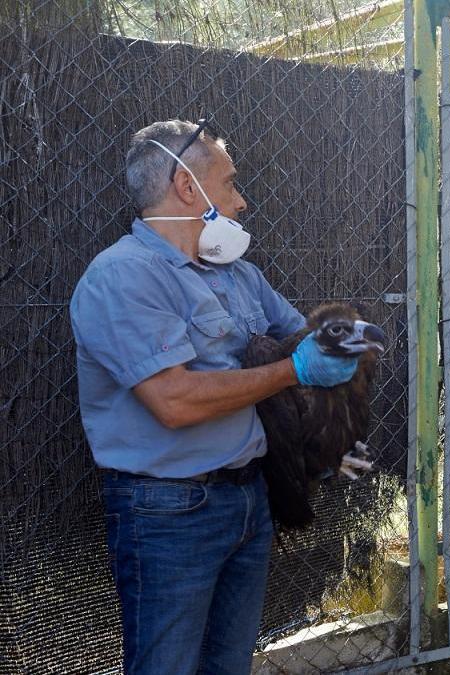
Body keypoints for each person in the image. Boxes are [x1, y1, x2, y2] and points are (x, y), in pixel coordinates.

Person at [70, 119, 359, 674]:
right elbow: (175, 402)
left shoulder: (238, 275)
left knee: (229, 666)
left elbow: (304, 334)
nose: (242, 202)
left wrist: (342, 342)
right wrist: (294, 369)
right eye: (229, 184)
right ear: (187, 187)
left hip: (249, 498)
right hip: (169, 512)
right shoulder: (123, 276)